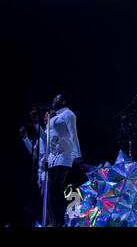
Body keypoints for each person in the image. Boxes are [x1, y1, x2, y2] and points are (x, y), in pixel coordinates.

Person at [36, 91, 86, 226]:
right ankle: (54, 221)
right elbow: (46, 138)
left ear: (63, 101)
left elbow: (73, 135)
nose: (53, 100)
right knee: (50, 189)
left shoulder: (68, 114)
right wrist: (37, 123)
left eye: (56, 98)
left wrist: (79, 156)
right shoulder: (54, 117)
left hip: (65, 154)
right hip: (53, 156)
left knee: (55, 186)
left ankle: (59, 221)